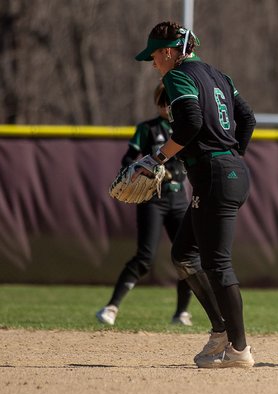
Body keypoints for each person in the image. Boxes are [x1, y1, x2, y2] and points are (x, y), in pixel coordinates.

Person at [133, 21, 256, 368]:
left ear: (169, 52)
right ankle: (221, 330)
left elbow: (189, 125)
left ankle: (239, 349)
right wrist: (232, 153)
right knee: (185, 254)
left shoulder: (176, 76)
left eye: (155, 55)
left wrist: (156, 158)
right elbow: (247, 118)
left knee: (217, 263)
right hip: (228, 172)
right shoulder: (218, 74)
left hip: (216, 174)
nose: (154, 63)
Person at [96, 84, 193, 327]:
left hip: (179, 200)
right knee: (145, 257)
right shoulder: (147, 128)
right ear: (157, 103)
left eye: (170, 102)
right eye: (163, 102)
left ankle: (181, 313)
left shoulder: (185, 128)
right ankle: (111, 307)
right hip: (152, 200)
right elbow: (128, 158)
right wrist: (146, 169)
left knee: (187, 256)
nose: (166, 107)